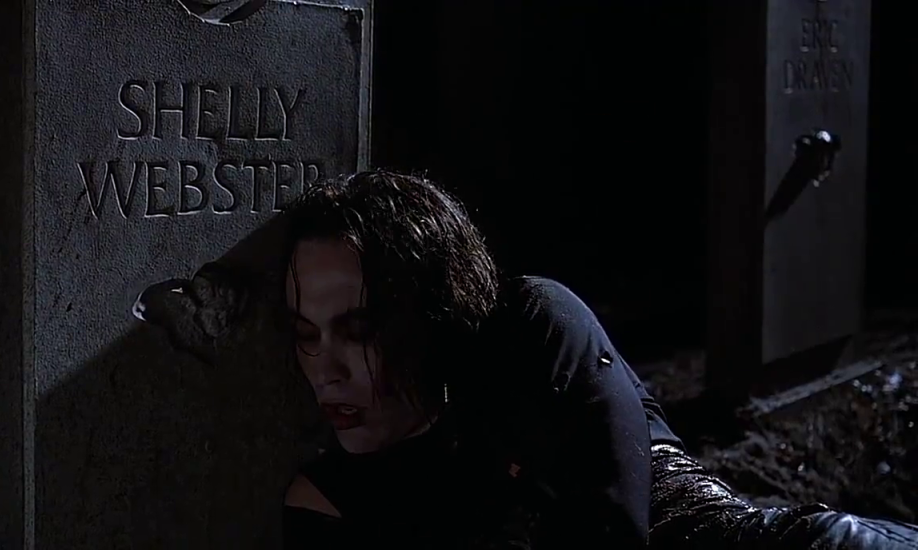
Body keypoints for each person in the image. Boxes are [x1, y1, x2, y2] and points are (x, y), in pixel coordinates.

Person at [278, 170, 681, 549]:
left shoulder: (532, 336)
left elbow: (612, 528)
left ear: (429, 310)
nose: (326, 372)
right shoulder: (328, 499)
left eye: (359, 331)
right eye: (305, 334)